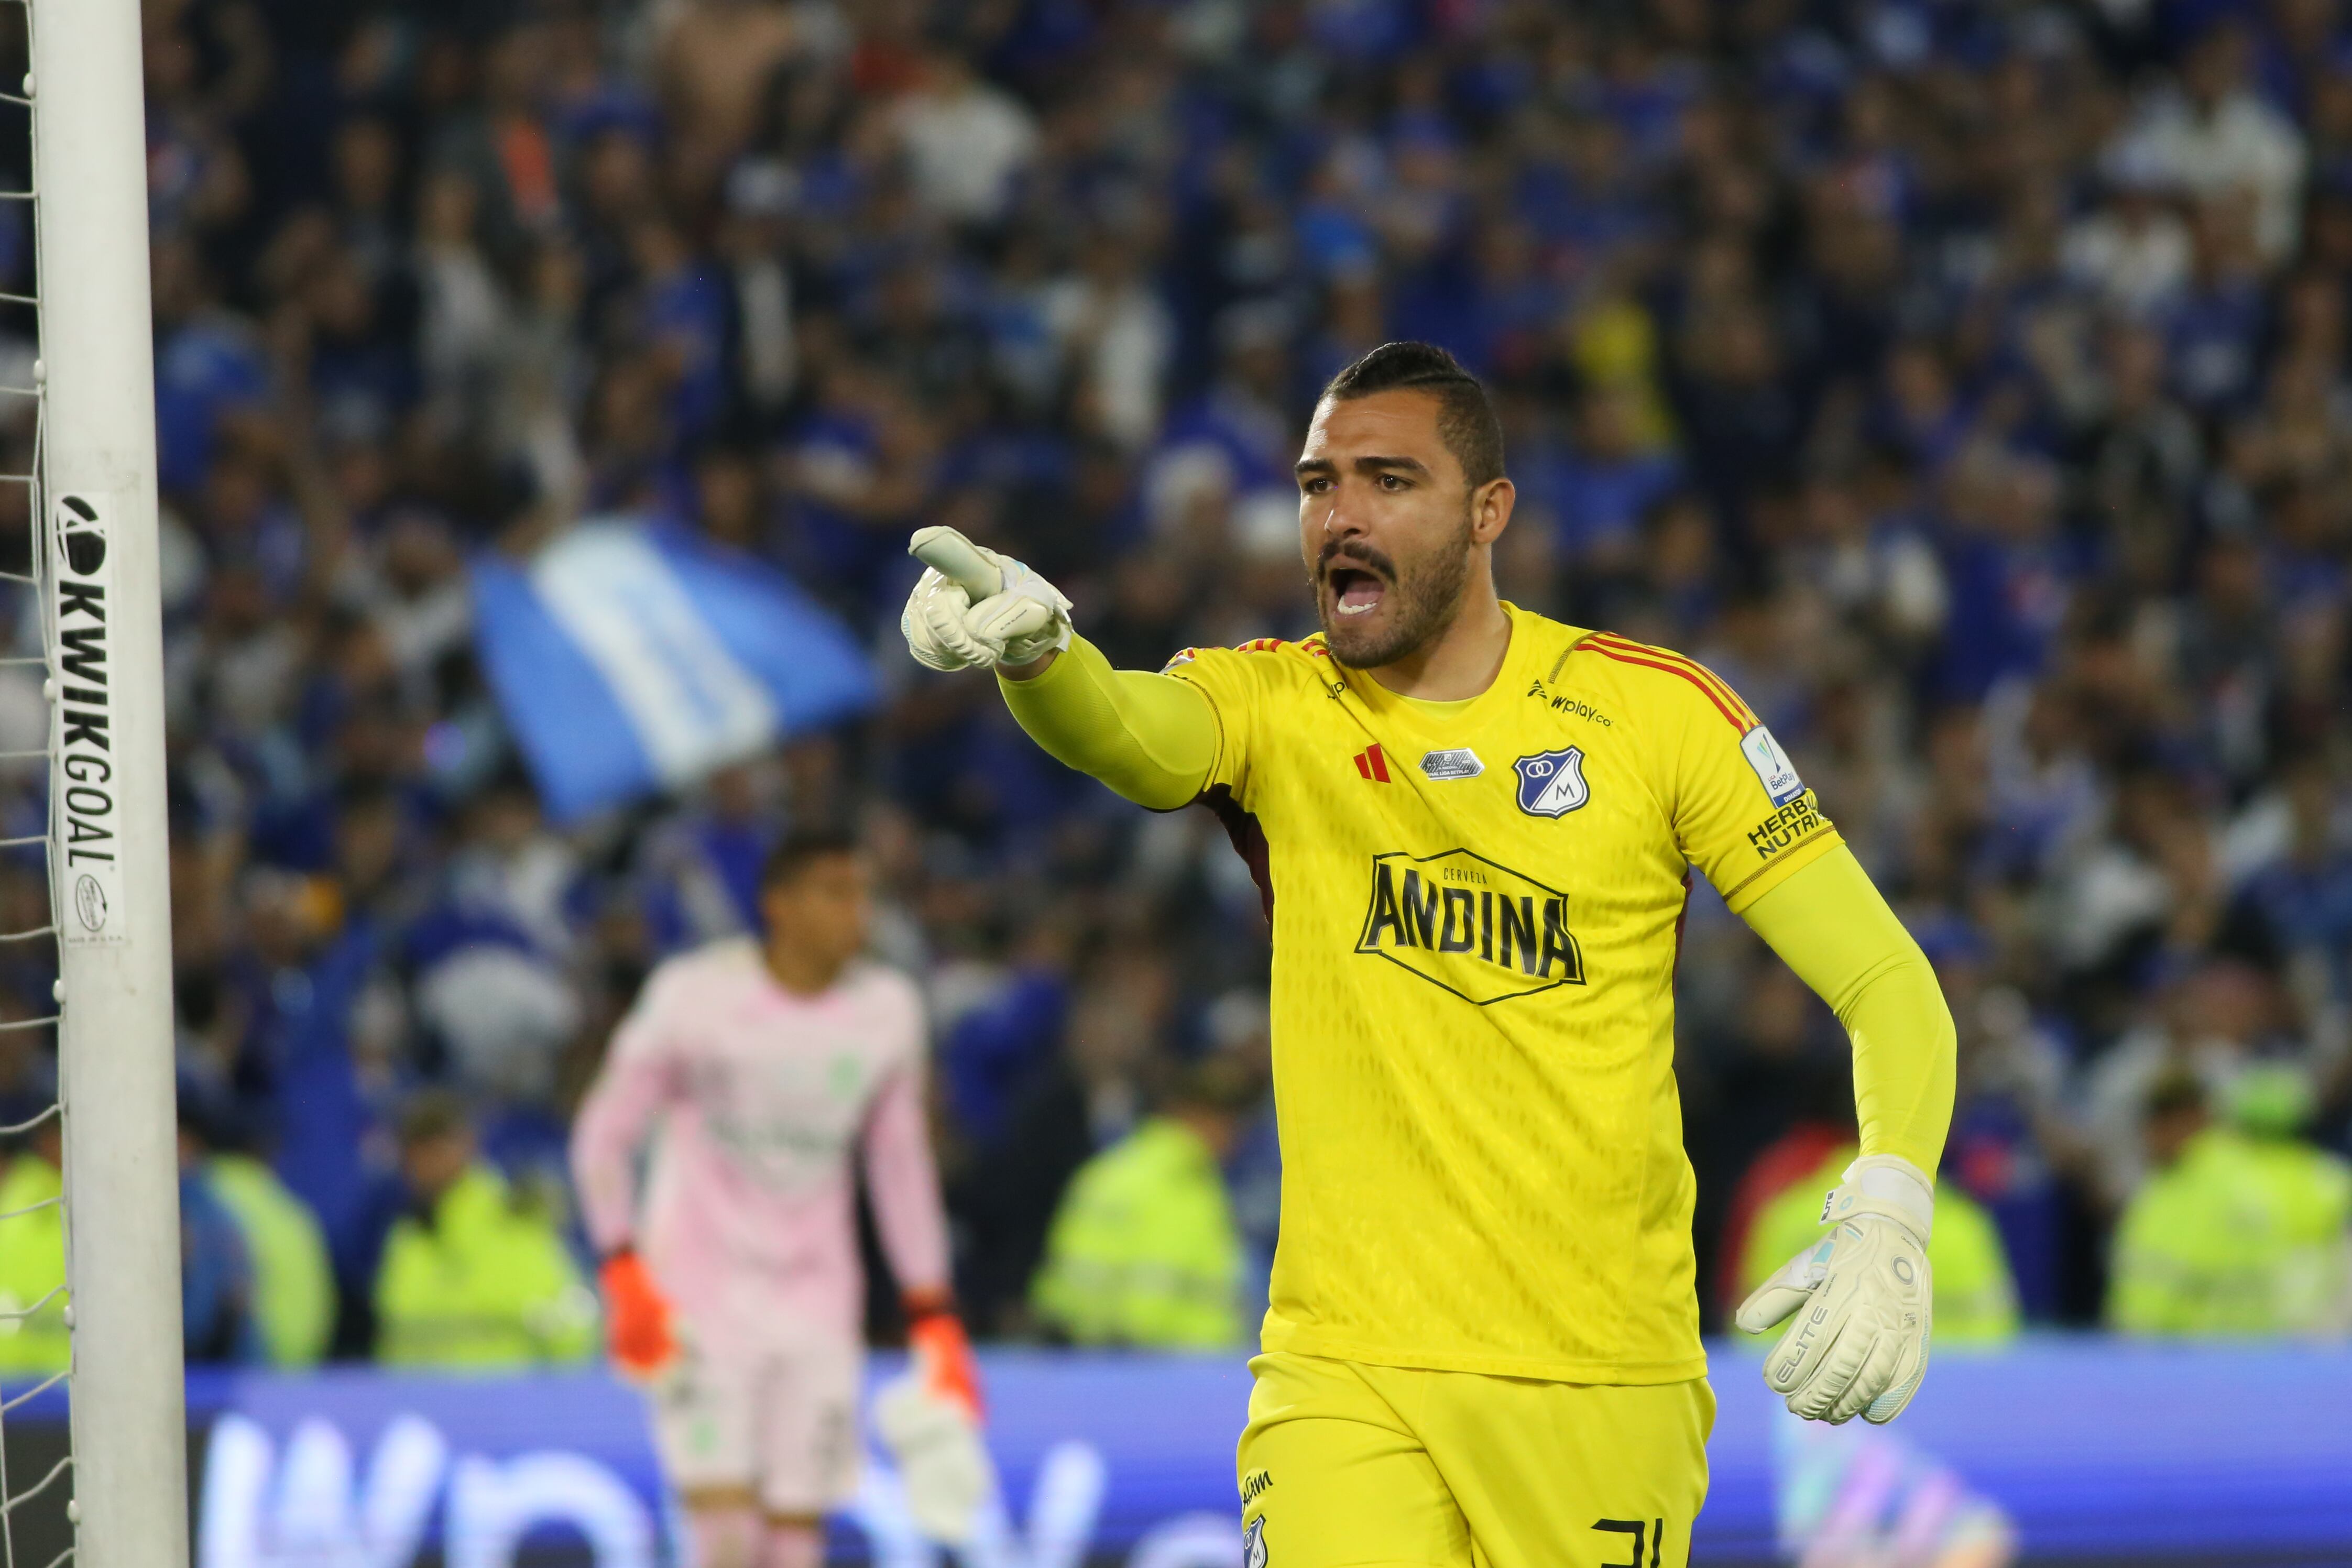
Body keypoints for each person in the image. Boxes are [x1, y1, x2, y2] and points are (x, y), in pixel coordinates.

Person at [901, 341, 1956, 1567]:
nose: (1341, 515)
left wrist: (1893, 1197)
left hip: (1600, 1378)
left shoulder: (1658, 715)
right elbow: (1130, 733)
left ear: (1487, 510)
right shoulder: (1274, 705)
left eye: (1389, 480)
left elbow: (1886, 982)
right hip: (1345, 1368)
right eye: (1319, 483)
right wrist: (1038, 653)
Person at [570, 826, 979, 1568]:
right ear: (778, 904)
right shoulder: (694, 998)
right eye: (835, 892)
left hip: (818, 1299)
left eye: (862, 894)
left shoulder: (887, 1011)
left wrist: (933, 1309)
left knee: (796, 1536)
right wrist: (622, 1266)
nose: (857, 912)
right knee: (725, 1533)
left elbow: (899, 1165)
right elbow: (604, 1133)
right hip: (700, 1292)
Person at [1031, 1055, 1255, 1348]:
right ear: (1193, 1113)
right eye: (1229, 1121)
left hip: (1105, 1356)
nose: (1236, 1138)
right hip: (1158, 1362)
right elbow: (1151, 1295)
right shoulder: (1183, 1185)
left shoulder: (1109, 1171)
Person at [372, 1089, 596, 1368]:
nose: (427, 1163)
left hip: (509, 1392)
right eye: (417, 1151)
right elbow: (394, 1340)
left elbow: (571, 1334)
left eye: (437, 1148)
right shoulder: (407, 1237)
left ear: (467, 1144)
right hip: (423, 1394)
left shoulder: (515, 1223)